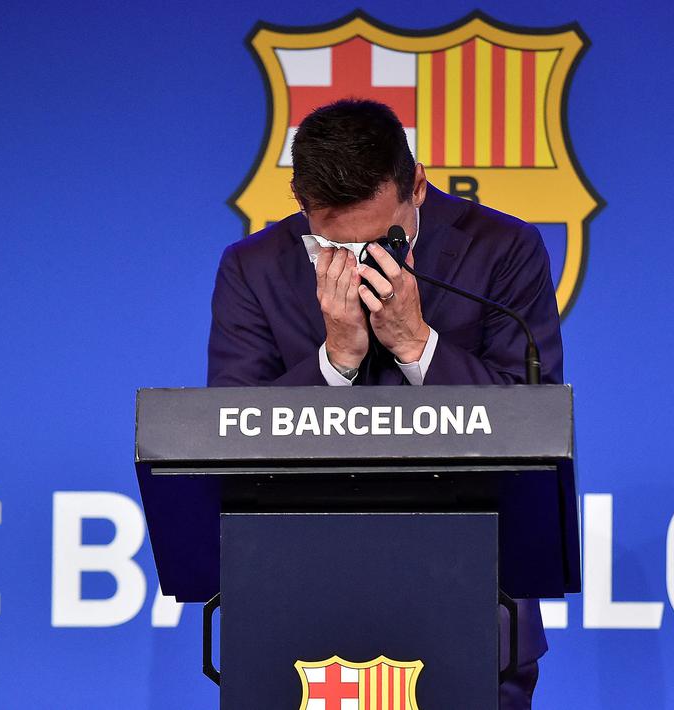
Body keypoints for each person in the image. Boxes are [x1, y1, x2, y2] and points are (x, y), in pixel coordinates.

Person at [207, 98, 564, 708]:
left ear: (417, 186)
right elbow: (229, 442)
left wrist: (415, 343)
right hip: (297, 613)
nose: (360, 265)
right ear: (303, 208)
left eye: (382, 240)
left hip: (472, 605)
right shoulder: (253, 269)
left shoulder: (501, 249)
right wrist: (336, 361)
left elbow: (533, 421)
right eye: (333, 246)